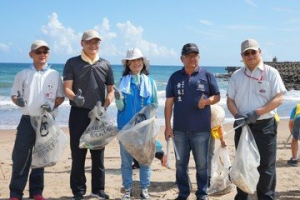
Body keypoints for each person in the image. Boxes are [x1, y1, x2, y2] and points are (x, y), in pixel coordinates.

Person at [227, 39, 286, 200]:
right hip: (242, 126)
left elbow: (279, 98)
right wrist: (237, 115)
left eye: (253, 52)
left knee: (266, 167)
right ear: (242, 56)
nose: (250, 55)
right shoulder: (236, 75)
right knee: (242, 164)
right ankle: (242, 197)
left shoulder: (271, 73)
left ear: (260, 52)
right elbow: (230, 100)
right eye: (247, 53)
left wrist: (258, 112)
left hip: (265, 126)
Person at [9, 40, 65, 200]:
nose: (42, 55)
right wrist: (17, 101)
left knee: (41, 157)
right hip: (27, 120)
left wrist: (53, 105)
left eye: (45, 52)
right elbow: (14, 94)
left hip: (46, 122)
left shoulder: (54, 74)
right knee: (21, 157)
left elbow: (60, 97)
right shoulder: (22, 74)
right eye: (38, 52)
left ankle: (36, 192)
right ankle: (15, 193)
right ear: (31, 54)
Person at [164, 43, 221, 200]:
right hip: (180, 130)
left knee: (202, 165)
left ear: (199, 57)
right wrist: (168, 126)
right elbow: (169, 103)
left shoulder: (207, 75)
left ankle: (202, 194)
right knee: (181, 165)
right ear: (182, 58)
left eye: (195, 55)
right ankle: (183, 193)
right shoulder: (175, 77)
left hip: (201, 130)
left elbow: (217, 96)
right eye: (189, 56)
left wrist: (207, 102)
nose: (192, 58)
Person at [63, 29, 114, 200]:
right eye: (89, 42)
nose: (93, 45)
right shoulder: (72, 63)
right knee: (78, 154)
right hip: (78, 114)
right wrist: (74, 98)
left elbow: (111, 91)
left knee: (98, 154)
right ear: (82, 43)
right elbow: (67, 88)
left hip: (98, 115)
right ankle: (78, 191)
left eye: (96, 42)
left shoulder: (105, 64)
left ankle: (98, 190)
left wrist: (105, 105)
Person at [114, 48, 158, 200]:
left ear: (143, 63)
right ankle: (127, 190)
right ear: (128, 64)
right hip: (125, 129)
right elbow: (120, 107)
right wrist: (118, 98)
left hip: (144, 130)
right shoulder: (121, 82)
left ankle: (144, 189)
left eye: (139, 60)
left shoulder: (150, 82)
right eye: (132, 60)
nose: (136, 63)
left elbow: (155, 105)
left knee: (144, 161)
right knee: (126, 162)